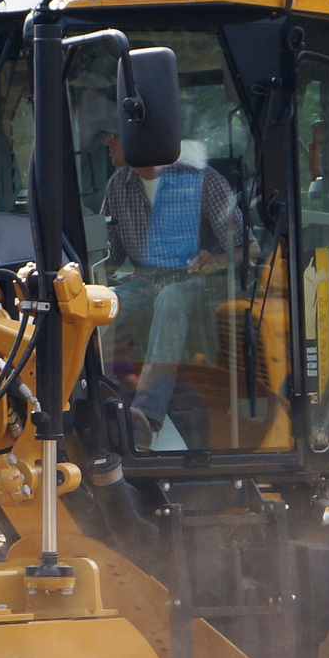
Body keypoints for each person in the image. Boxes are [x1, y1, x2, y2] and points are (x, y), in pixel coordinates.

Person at [96, 126, 243, 446]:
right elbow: (107, 259)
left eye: (115, 133)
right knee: (104, 304)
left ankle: (145, 418)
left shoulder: (202, 179)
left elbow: (251, 248)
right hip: (145, 284)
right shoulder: (117, 186)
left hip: (201, 285)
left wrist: (216, 260)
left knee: (171, 298)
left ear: (144, 137)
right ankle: (104, 400)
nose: (108, 141)